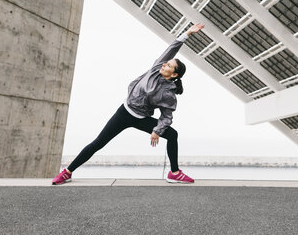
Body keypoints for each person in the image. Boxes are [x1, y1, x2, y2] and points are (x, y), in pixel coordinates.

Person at [52, 23, 205, 185]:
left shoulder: (169, 94)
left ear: (173, 74)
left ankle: (175, 173)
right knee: (98, 143)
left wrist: (157, 131)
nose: (164, 64)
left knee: (172, 134)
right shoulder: (155, 70)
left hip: (141, 118)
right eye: (165, 63)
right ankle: (67, 172)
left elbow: (167, 116)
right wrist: (187, 33)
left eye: (168, 65)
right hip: (124, 113)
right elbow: (171, 49)